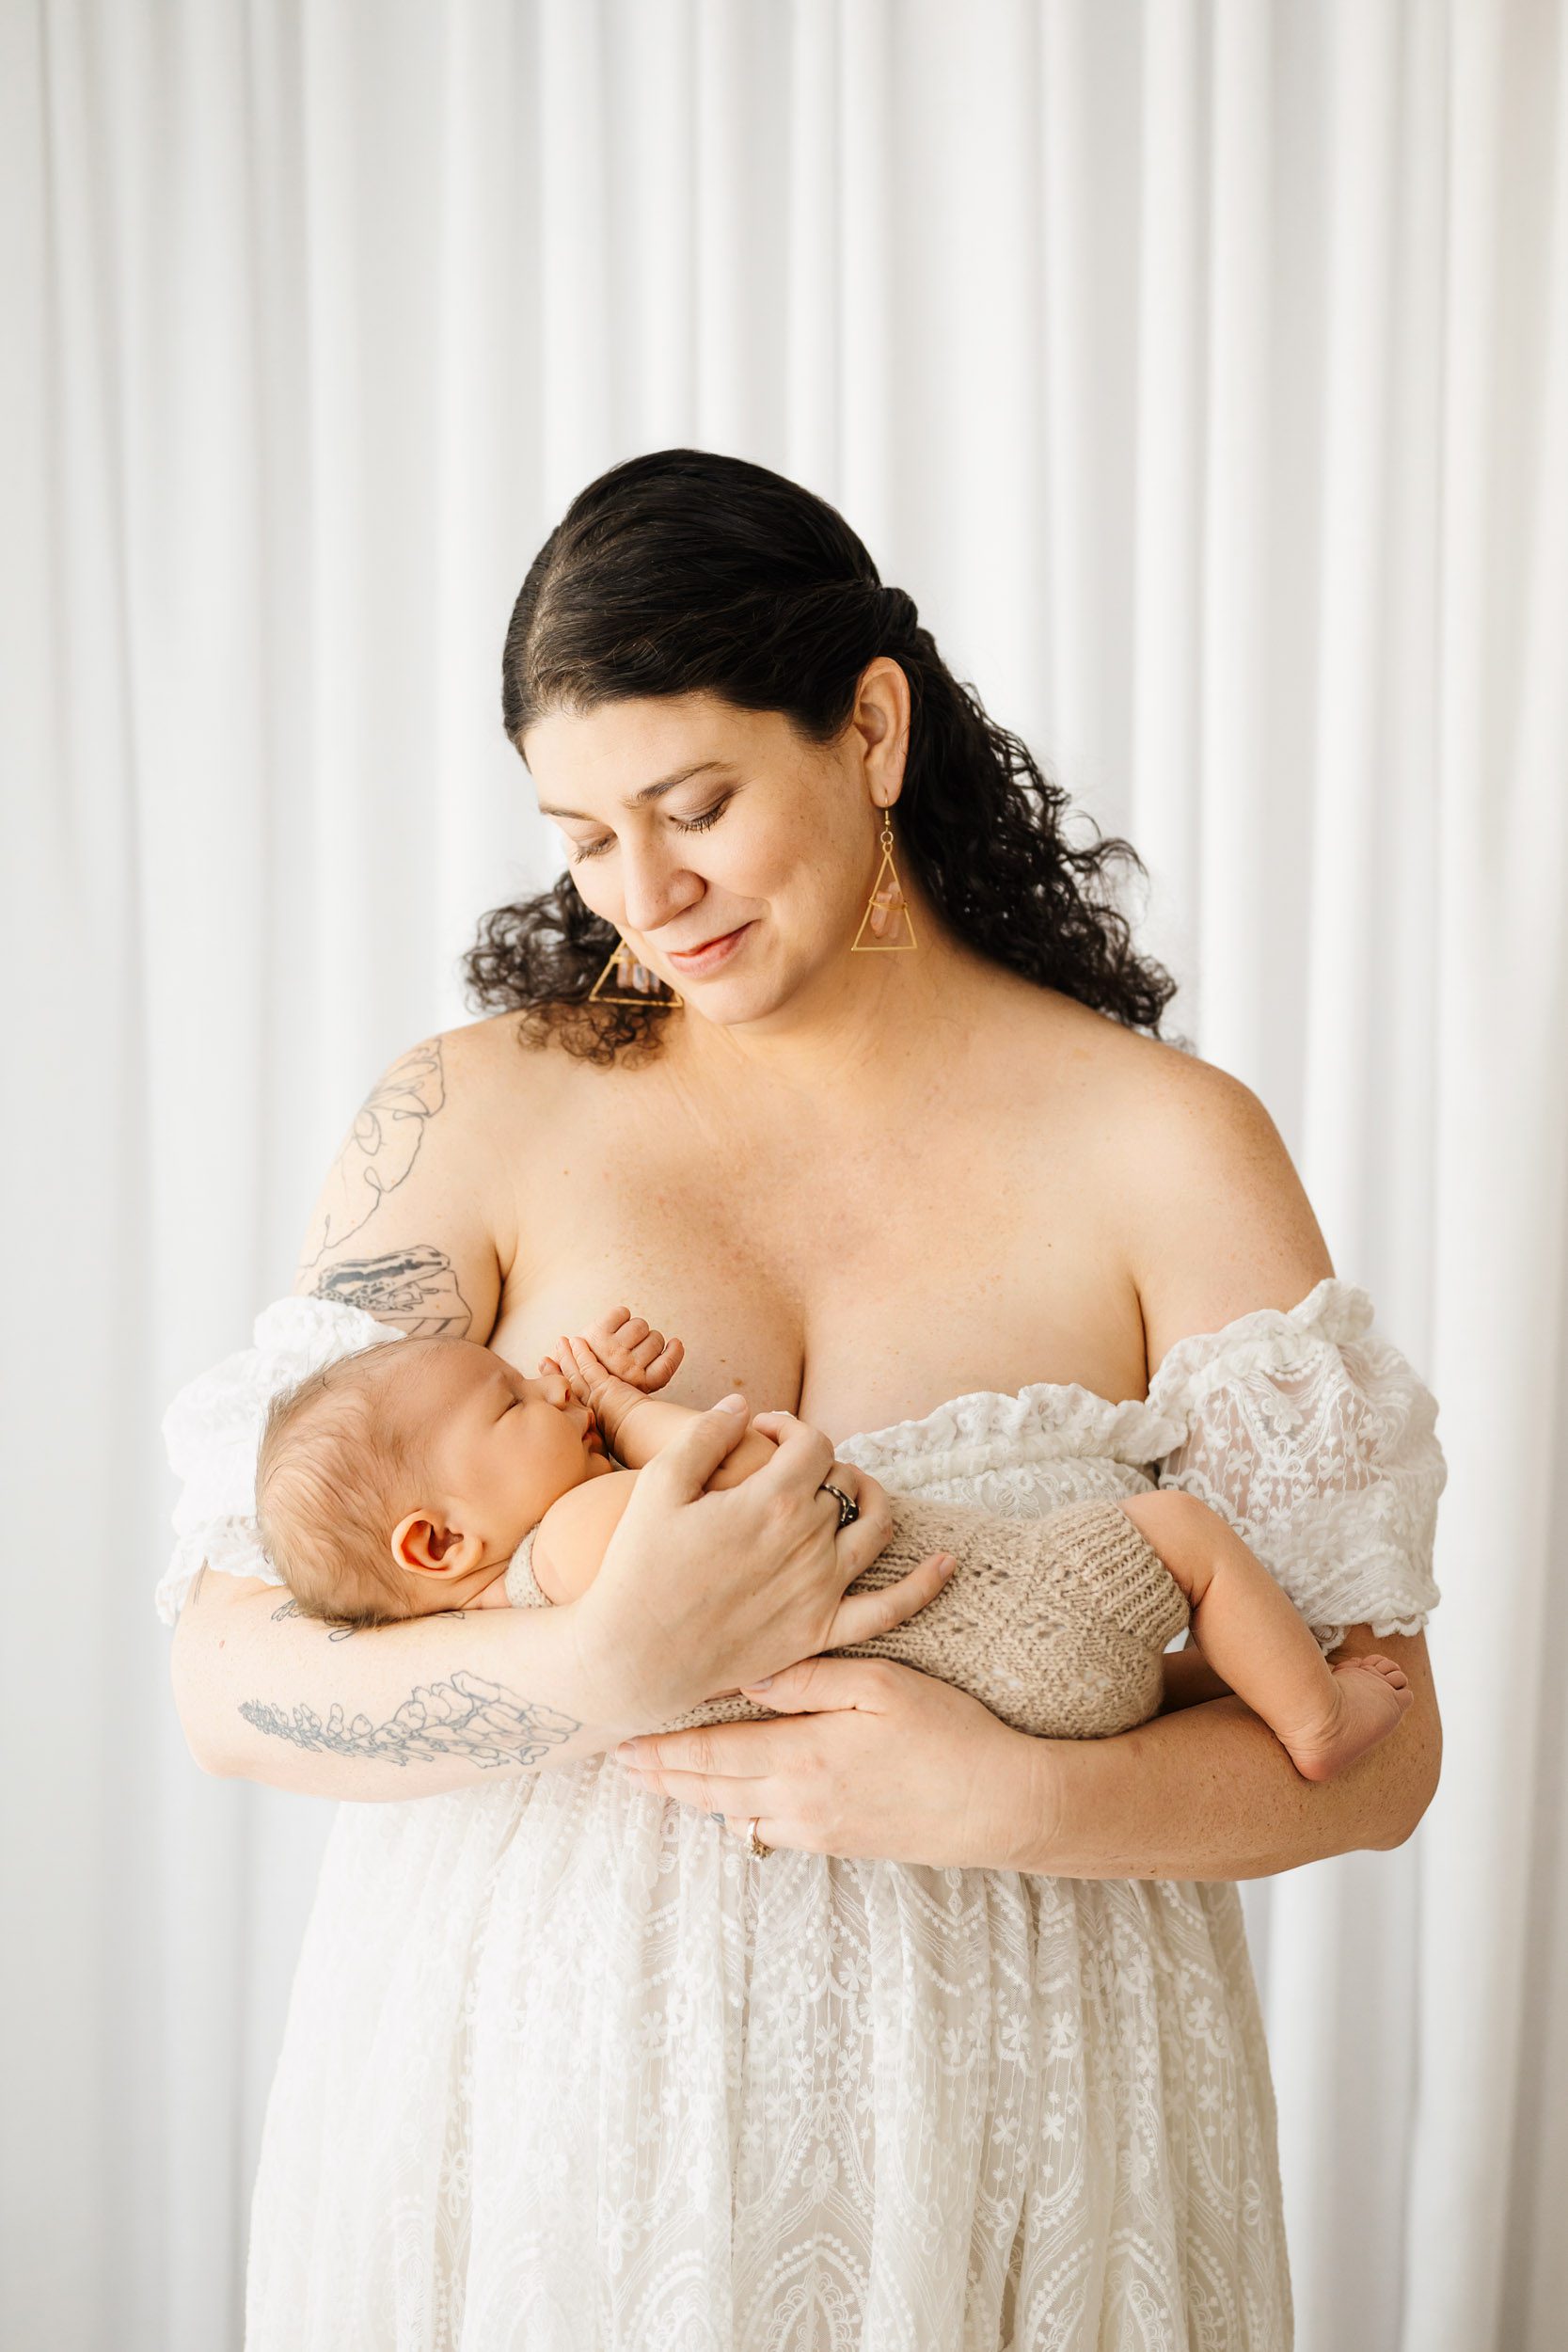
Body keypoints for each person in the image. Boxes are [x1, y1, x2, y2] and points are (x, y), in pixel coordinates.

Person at [163, 447, 1446, 2349]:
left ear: (865, 725)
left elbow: (1385, 1754)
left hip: (1030, 2143)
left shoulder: (1162, 1147)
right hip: (524, 2143)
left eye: (694, 806)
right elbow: (224, 1676)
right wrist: (598, 1665)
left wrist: (1012, 1799)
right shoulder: (469, 1113)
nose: (644, 892)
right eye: (584, 834)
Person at [245, 1306, 1418, 1777]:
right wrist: (634, 1416)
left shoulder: (528, 1598)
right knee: (1180, 1532)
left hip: (1000, 1688)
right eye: (512, 1403)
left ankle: (1199, 1681)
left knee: (1129, 1650)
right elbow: (768, 1485)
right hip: (1020, 1619)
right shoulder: (579, 1531)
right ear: (439, 1540)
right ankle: (1312, 1716)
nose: (551, 1393)